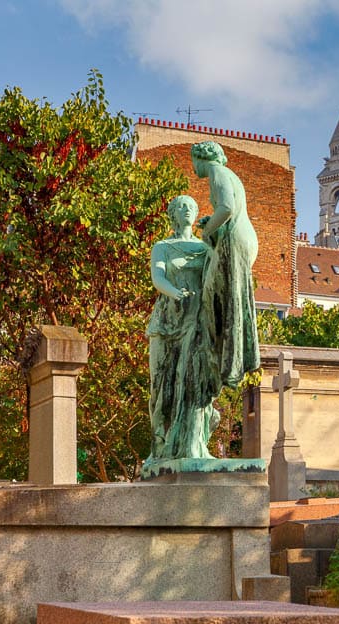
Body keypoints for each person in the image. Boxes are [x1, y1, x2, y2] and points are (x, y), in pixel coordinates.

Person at [145, 195, 220, 460]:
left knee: (193, 382)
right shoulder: (163, 247)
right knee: (162, 386)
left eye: (191, 206)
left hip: (196, 322)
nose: (187, 210)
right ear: (173, 215)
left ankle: (193, 443)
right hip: (167, 323)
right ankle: (161, 447)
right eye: (181, 207)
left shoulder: (204, 248)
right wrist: (176, 293)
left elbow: (219, 276)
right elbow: (159, 278)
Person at [191, 141, 260, 389]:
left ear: (201, 158)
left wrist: (208, 231)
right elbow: (229, 209)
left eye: (193, 162)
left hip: (235, 241)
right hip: (241, 238)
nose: (193, 167)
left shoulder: (217, 172)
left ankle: (228, 362)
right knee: (225, 298)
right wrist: (213, 221)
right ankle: (227, 359)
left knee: (216, 298)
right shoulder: (230, 175)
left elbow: (228, 208)